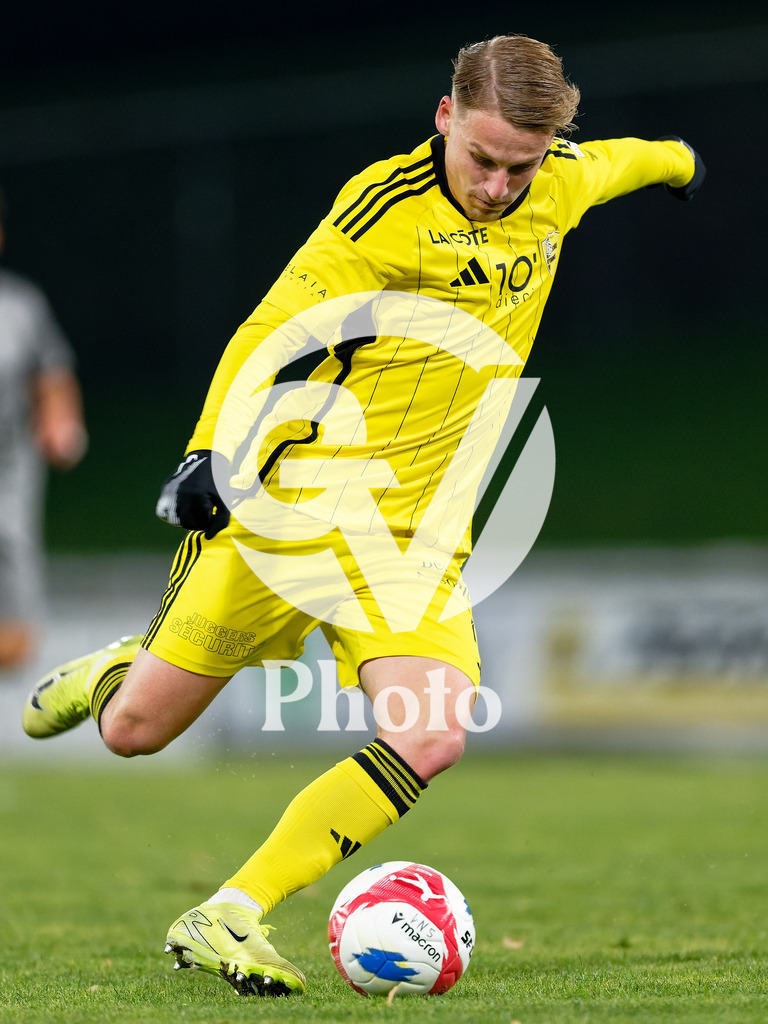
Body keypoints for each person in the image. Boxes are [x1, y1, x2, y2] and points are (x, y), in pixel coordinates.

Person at [21, 34, 704, 998]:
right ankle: (121, 671)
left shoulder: (558, 182)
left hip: (416, 542)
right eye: (484, 159)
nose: (503, 186)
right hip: (299, 508)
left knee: (432, 733)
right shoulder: (380, 212)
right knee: (133, 733)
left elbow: (622, 161)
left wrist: (681, 161)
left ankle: (231, 910)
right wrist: (209, 450)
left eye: (524, 165)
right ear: (444, 116)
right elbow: (270, 330)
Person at [0, 185, 87, 671]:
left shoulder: (19, 306)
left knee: (16, 621)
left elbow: (52, 374)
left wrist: (61, 421)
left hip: (8, 470)